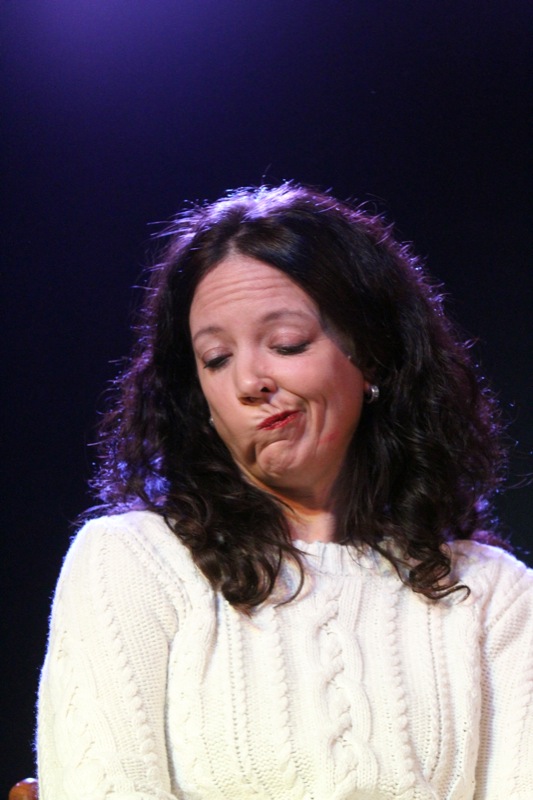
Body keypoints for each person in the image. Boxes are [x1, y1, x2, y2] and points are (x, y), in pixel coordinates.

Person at [37, 183, 533, 800]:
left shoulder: (493, 594)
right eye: (216, 359)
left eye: (286, 344)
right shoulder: (133, 561)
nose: (249, 380)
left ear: (372, 356)